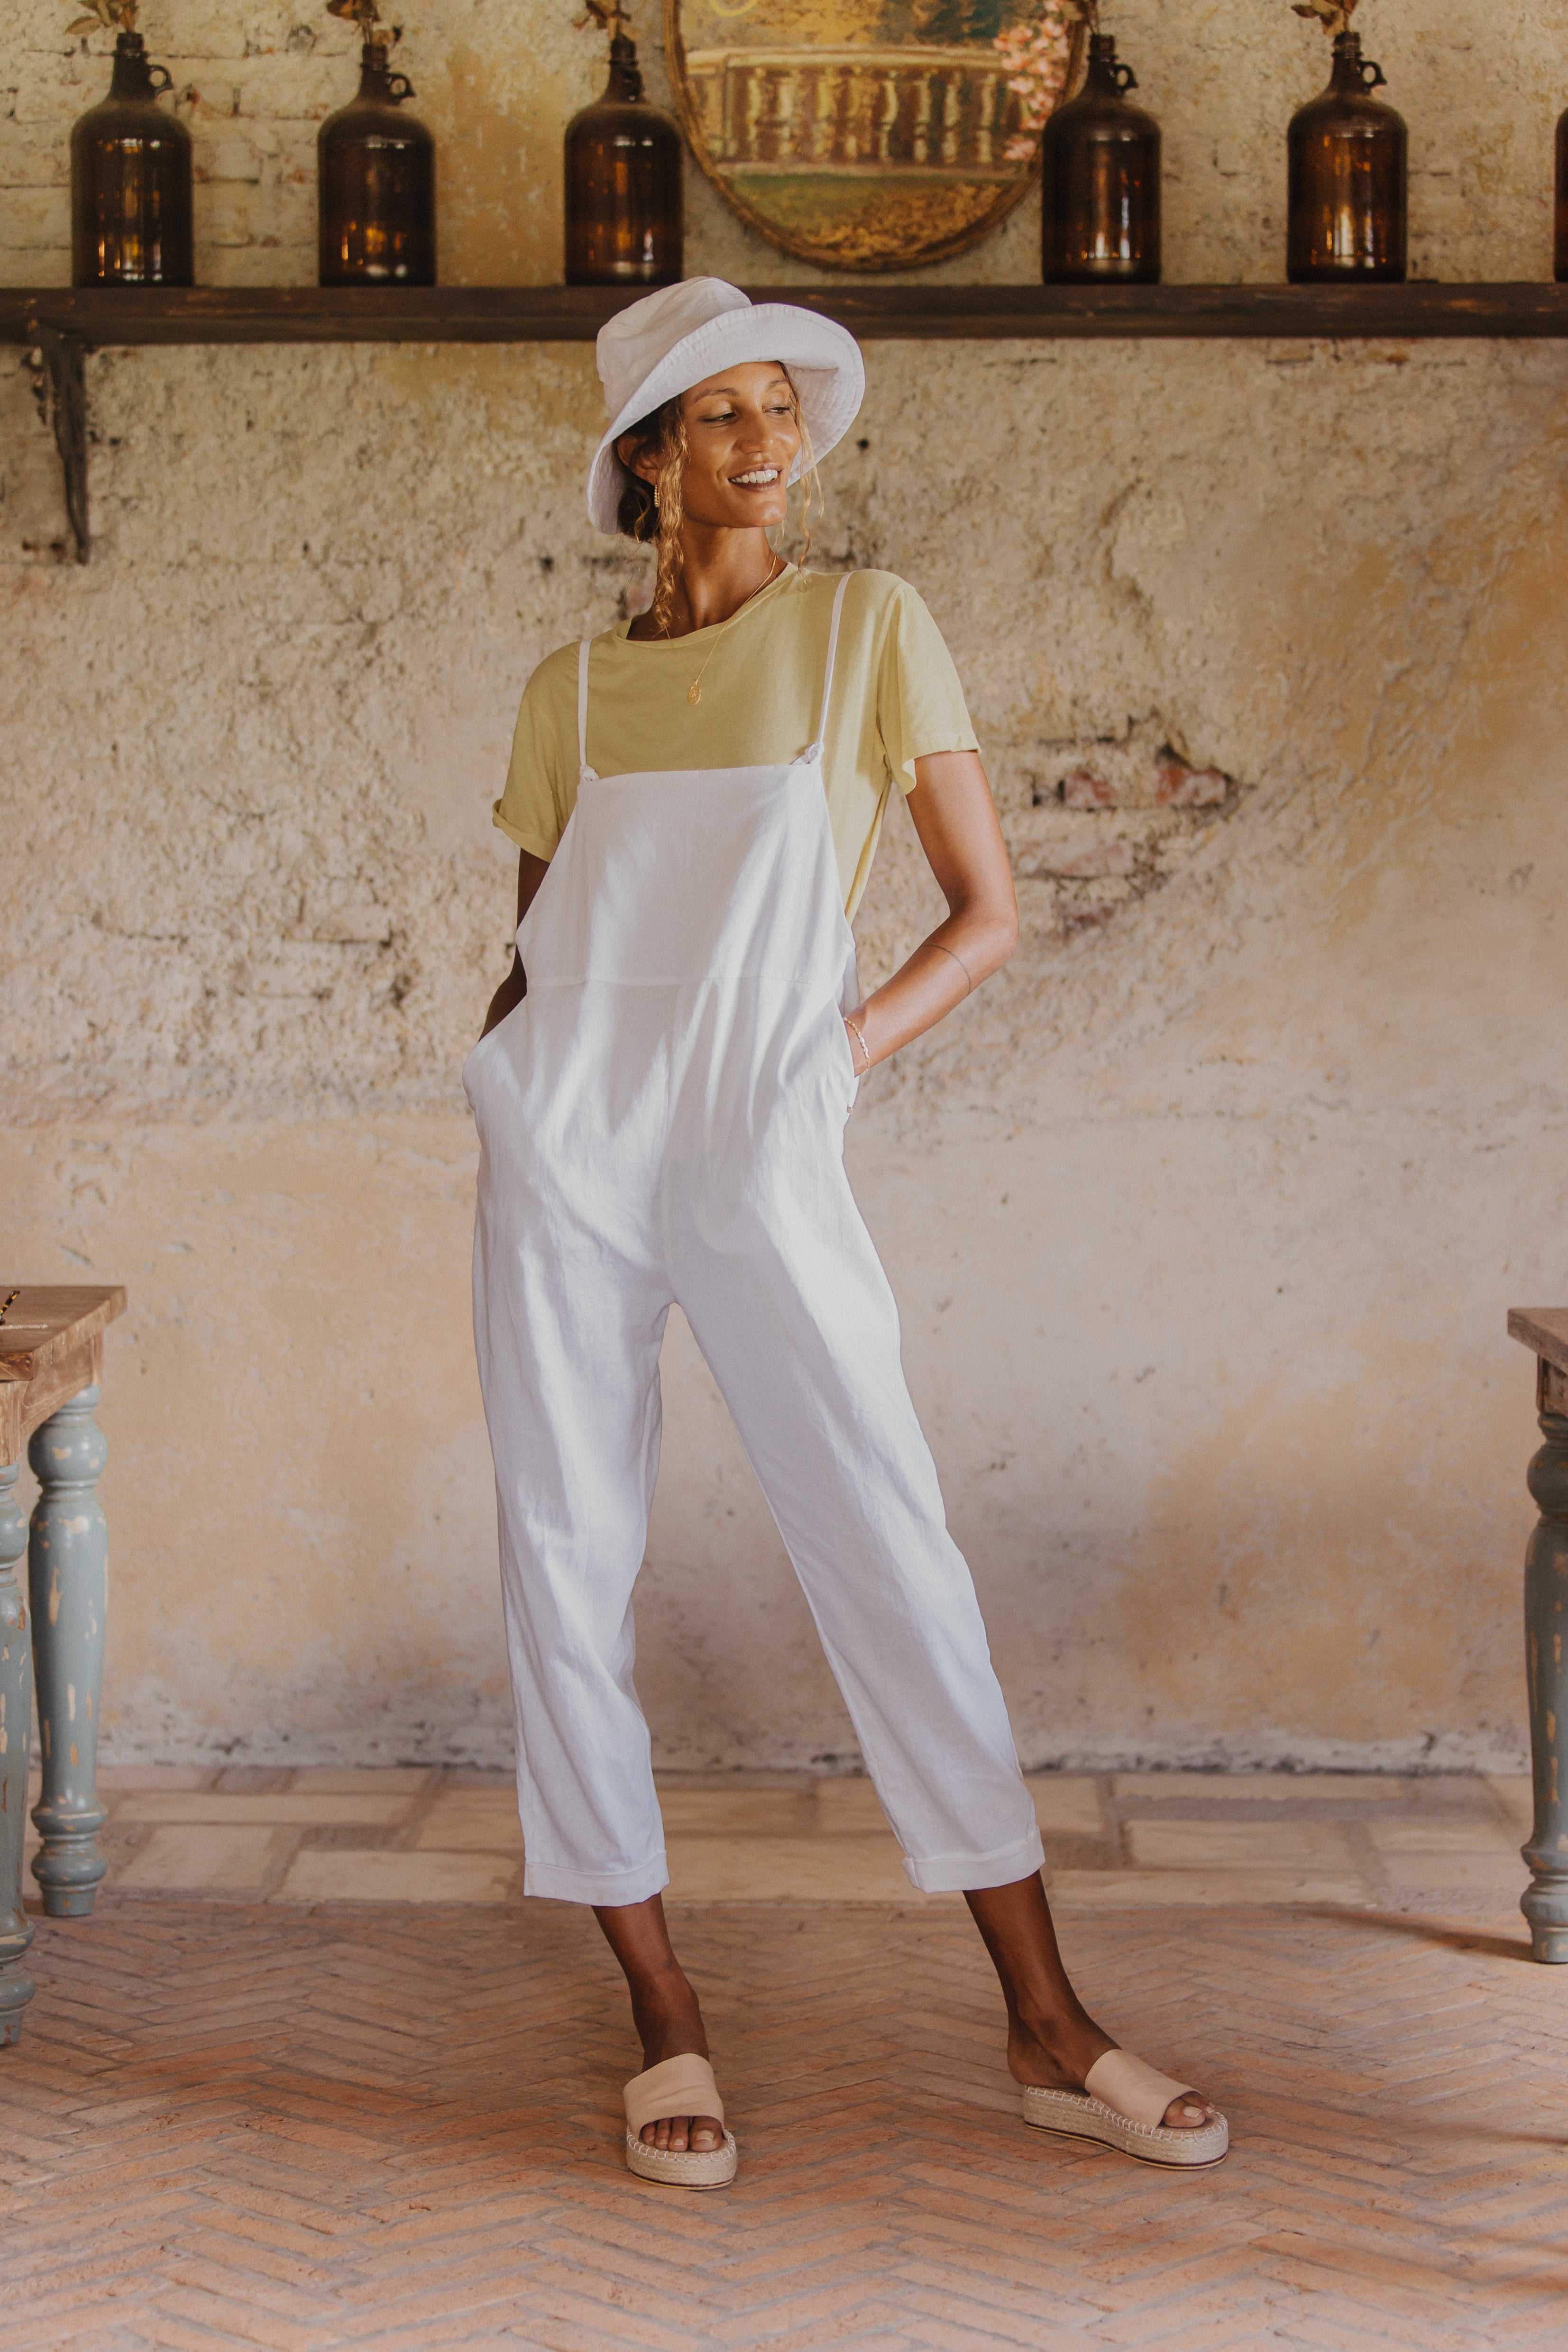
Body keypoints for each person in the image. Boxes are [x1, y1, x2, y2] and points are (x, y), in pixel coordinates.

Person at [464, 278, 1227, 2187]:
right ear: (644, 460)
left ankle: (1045, 2017)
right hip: (566, 1153)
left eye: (778, 408)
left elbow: (982, 913)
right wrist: (513, 1076)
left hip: (757, 1141)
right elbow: (534, 945)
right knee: (562, 1558)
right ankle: (661, 2012)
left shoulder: (866, 631)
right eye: (716, 415)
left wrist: (818, 1061)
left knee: (888, 1545)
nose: (767, 444)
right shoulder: (565, 690)